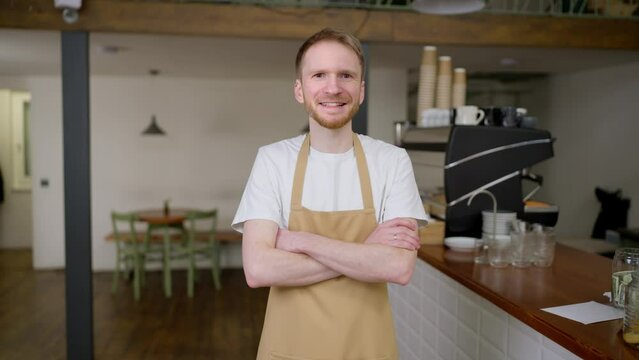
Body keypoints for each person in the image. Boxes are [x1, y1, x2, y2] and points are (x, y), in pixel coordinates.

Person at [232, 28, 429, 360]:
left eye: (346, 75)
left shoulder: (392, 161)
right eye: (319, 74)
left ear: (361, 89)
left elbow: (398, 268)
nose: (333, 87)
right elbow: (258, 269)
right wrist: (366, 252)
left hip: (368, 350)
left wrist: (301, 241)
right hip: (289, 350)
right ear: (300, 89)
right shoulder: (273, 160)